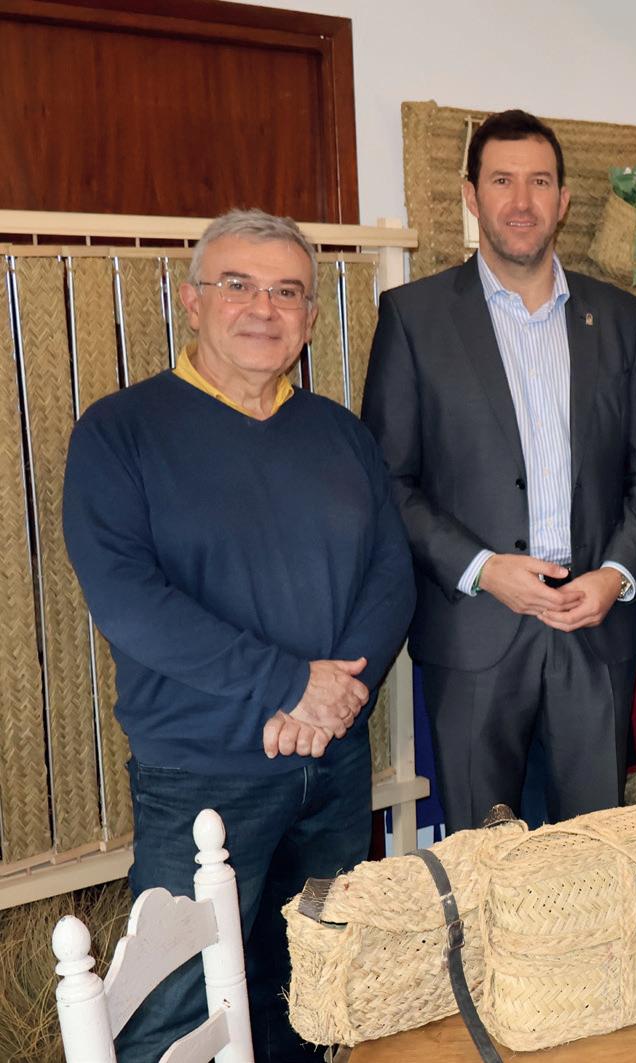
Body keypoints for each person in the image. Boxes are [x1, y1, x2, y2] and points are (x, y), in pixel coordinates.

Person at [63, 208, 415, 1061]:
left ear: (311, 316)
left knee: (312, 998)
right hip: (202, 778)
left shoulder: (339, 433)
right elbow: (130, 601)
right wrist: (290, 685)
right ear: (191, 301)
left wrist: (335, 700)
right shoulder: (120, 432)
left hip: (332, 768)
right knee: (174, 1011)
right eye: (239, 285)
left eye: (287, 291)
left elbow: (391, 576)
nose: (264, 307)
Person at [361, 109, 636, 830]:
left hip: (592, 624)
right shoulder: (414, 318)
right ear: (471, 196)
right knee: (484, 856)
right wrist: (483, 568)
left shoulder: (619, 318)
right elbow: (389, 480)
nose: (521, 201)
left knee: (592, 853)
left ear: (562, 200)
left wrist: (615, 575)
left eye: (539, 182)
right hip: (477, 627)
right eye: (502, 180)